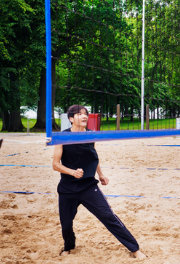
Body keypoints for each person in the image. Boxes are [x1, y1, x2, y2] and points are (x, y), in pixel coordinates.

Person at [52, 104, 147, 259]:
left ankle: (135, 249)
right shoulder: (62, 137)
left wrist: (101, 175)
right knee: (66, 223)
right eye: (79, 114)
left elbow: (93, 157)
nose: (84, 116)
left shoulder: (91, 135)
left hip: (88, 186)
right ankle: (68, 246)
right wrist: (72, 172)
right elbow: (55, 165)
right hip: (68, 187)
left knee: (108, 216)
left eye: (85, 114)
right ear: (70, 118)